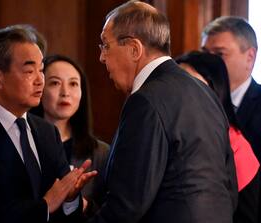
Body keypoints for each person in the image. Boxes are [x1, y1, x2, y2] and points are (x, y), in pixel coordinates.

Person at [86, 1, 238, 223]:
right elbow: (229, 187)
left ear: (134, 49)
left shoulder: (145, 100)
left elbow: (128, 204)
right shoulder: (204, 92)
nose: (101, 57)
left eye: (106, 45)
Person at [0, 25, 97, 223]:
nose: (40, 80)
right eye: (29, 71)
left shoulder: (46, 132)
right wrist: (44, 205)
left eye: (41, 70)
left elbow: (64, 210)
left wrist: (70, 198)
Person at [176, 51, 260, 223]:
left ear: (215, 90)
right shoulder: (170, 132)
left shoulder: (237, 147)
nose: (179, 94)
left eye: (191, 85)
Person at [30, 54, 109, 218]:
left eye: (73, 84)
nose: (65, 92)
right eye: (55, 83)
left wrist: (80, 203)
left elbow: (108, 213)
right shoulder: (25, 142)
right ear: (40, 88)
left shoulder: (100, 152)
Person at [201, 16, 261, 164]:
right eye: (205, 53)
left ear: (250, 57)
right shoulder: (195, 101)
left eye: (220, 54)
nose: (207, 62)